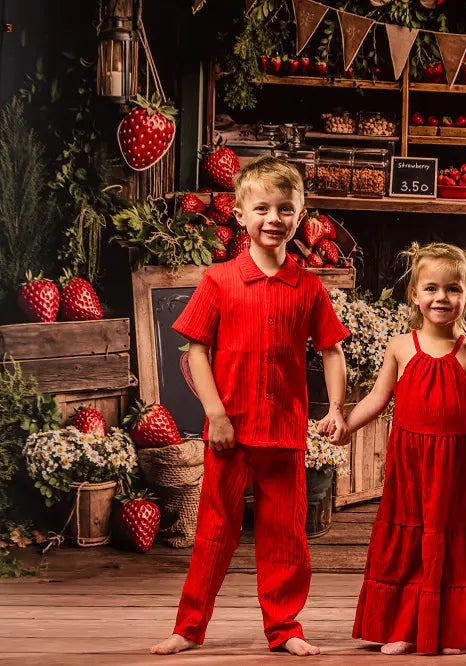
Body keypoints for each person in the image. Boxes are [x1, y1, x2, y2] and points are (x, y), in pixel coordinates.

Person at [150, 157, 350, 657]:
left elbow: (331, 350)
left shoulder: (308, 287)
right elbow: (195, 348)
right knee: (214, 533)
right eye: (261, 208)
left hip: (284, 434)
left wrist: (337, 409)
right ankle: (189, 627)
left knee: (285, 538)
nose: (273, 218)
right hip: (230, 432)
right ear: (241, 214)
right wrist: (215, 413)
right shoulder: (219, 280)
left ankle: (284, 629)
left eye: (285, 208)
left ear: (301, 215)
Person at [349, 242, 466, 655]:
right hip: (409, 463)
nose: (442, 298)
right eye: (432, 289)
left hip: (455, 466)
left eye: (453, 289)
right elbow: (377, 398)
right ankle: (401, 627)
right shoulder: (401, 347)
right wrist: (345, 427)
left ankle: (451, 629)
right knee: (407, 541)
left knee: (451, 540)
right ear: (415, 295)